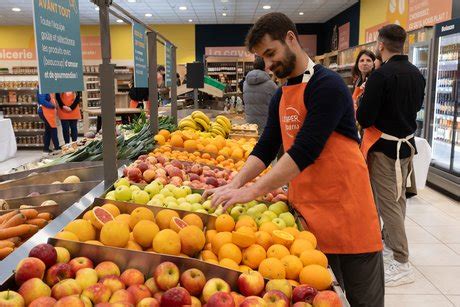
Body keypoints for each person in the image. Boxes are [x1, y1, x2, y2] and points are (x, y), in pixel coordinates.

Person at [204, 12, 384, 306]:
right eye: (263, 58)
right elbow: (265, 148)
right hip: (308, 218)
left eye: (271, 53)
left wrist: (252, 190)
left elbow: (304, 151)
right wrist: (234, 183)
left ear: (291, 38)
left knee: (365, 301)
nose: (269, 64)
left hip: (348, 213)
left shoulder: (328, 86)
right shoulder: (280, 95)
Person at [357, 24, 425, 287]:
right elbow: (417, 107)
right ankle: (389, 244)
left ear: (380, 45)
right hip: (407, 146)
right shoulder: (417, 74)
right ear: (404, 44)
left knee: (388, 204)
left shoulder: (380, 76)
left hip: (385, 149)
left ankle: (401, 259)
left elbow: (365, 118)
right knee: (399, 199)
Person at [243, 56, 278, 133]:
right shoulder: (270, 85)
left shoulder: (245, 83)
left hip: (250, 126)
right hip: (266, 127)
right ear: (265, 67)